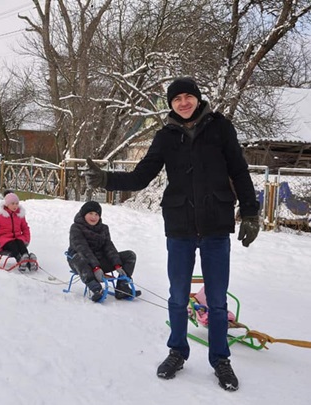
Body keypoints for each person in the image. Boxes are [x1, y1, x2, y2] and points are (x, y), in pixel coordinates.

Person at [84, 77, 260, 391]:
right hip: (179, 226)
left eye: (187, 96)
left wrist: (250, 211)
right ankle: (177, 351)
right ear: (171, 104)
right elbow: (141, 176)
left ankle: (220, 359)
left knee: (217, 301)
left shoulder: (220, 127)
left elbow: (239, 170)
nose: (183, 102)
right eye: (176, 98)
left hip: (216, 224)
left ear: (197, 98)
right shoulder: (165, 136)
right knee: (178, 297)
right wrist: (104, 179)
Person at [67, 200, 141, 302]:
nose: (94, 217)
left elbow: (109, 247)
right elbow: (82, 249)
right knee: (80, 257)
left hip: (99, 262)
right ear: (84, 214)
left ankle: (122, 288)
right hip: (81, 263)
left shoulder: (103, 228)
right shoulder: (76, 228)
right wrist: (95, 267)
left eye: (96, 214)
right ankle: (96, 288)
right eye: (90, 213)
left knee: (130, 255)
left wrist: (117, 264)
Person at [0, 192, 37, 272]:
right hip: (4, 240)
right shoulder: (0, 216)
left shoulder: (20, 215)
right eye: (12, 204)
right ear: (7, 204)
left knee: (20, 243)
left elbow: (25, 228)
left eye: (17, 203)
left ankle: (27, 259)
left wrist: (26, 239)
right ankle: (20, 260)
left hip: (17, 238)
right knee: (13, 244)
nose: (15, 206)